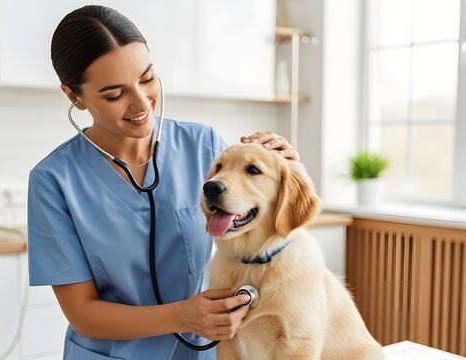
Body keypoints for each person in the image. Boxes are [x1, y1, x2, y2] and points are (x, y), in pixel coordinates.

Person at [27, 5, 299, 359]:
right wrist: (183, 316)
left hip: (204, 350)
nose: (141, 103)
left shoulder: (205, 147)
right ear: (73, 96)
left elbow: (262, 241)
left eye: (147, 78)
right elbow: (83, 314)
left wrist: (282, 173)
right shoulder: (53, 181)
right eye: (114, 94)